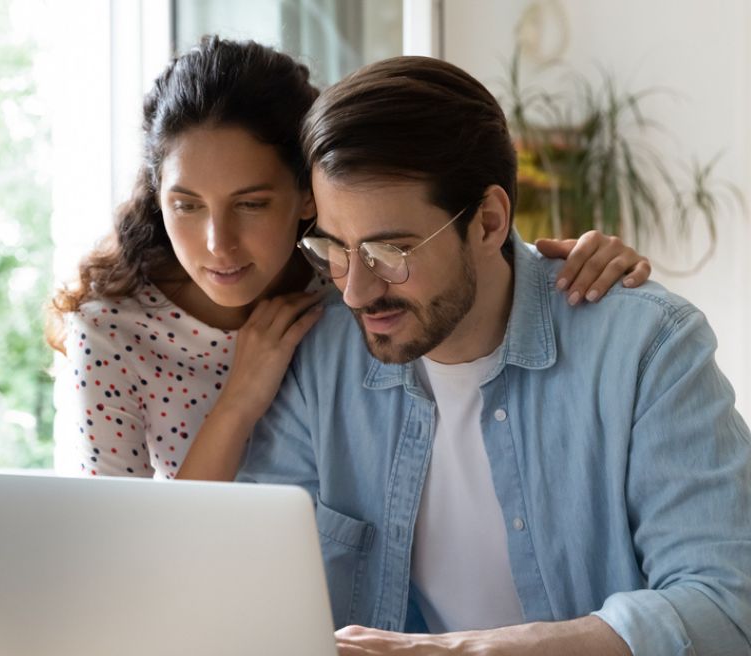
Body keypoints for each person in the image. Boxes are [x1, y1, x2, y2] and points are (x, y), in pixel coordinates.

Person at [236, 55, 751, 656]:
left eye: (389, 251)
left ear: (488, 221)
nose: (357, 288)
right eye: (334, 247)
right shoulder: (318, 358)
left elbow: (729, 610)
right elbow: (248, 599)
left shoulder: (646, 347)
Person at [48, 36, 651, 480]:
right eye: (186, 205)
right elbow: (125, 556)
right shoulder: (111, 333)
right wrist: (238, 402)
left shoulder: (343, 284)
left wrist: (573, 269)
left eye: (252, 204)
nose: (217, 244)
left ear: (308, 195)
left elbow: (459, 260)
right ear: (157, 195)